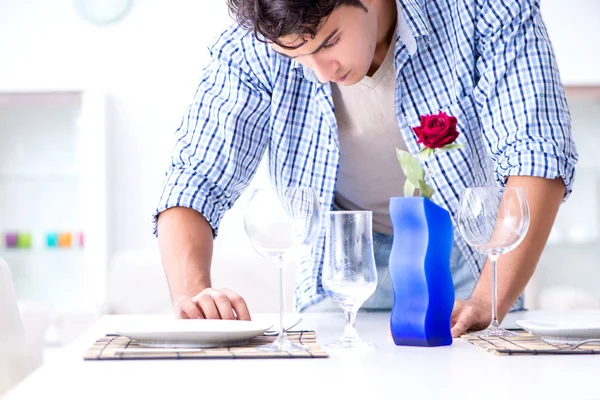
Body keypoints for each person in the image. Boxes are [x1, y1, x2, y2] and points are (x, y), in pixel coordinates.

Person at [154, 0, 578, 337]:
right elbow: (195, 178)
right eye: (299, 57)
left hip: (468, 257)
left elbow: (536, 154)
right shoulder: (253, 46)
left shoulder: (486, 9)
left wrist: (488, 300)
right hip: (341, 264)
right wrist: (194, 296)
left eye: (328, 42)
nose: (321, 72)